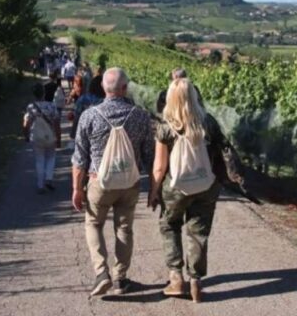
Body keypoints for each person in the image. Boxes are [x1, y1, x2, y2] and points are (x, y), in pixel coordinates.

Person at [71, 68, 154, 297]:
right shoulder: (140, 116)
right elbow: (149, 156)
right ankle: (120, 278)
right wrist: (154, 188)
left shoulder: (89, 115)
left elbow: (79, 158)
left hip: (99, 182)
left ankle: (101, 273)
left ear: (103, 88)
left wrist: (77, 188)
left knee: (94, 224)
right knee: (124, 229)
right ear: (125, 88)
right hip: (129, 183)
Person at [148, 78, 225, 303]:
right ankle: (196, 281)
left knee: (169, 225)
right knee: (198, 231)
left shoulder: (166, 126)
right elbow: (220, 153)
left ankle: (175, 277)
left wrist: (154, 191)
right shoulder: (208, 122)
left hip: (175, 188)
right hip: (206, 185)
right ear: (194, 95)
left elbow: (160, 166)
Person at [23, 84, 62, 194]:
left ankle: (40, 185)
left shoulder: (31, 107)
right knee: (51, 158)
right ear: (44, 93)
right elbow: (56, 123)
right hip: (50, 136)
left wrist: (26, 135)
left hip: (36, 137)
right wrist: (58, 138)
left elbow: (26, 123)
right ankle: (49, 178)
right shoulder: (52, 106)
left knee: (39, 160)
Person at [71, 75, 105, 139]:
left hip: (84, 132)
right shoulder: (106, 100)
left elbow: (77, 116)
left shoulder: (83, 98)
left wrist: (74, 134)